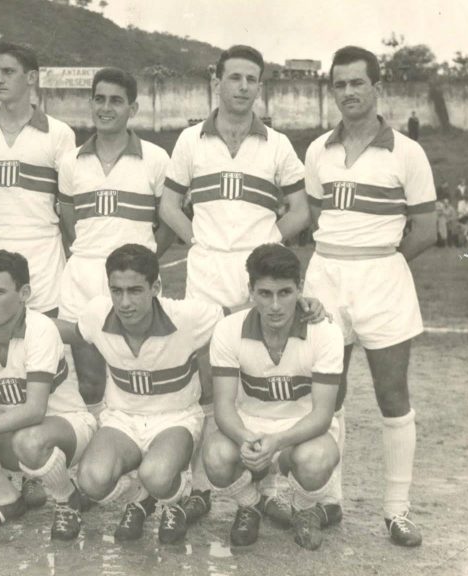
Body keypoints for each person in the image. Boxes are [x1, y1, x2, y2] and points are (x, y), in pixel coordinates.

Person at [158, 45, 311, 526]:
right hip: (206, 271)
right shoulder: (188, 141)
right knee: (207, 378)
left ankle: (266, 487)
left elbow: (302, 210)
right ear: (216, 81)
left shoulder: (279, 145)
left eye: (252, 79)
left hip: (256, 277)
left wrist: (266, 247)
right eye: (235, 77)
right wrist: (196, 238)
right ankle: (201, 486)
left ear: (259, 85)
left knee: (260, 375)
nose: (243, 87)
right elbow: (167, 205)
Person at [303, 45, 437, 547]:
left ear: (377, 87)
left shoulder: (408, 152)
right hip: (326, 277)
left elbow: (424, 228)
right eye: (339, 85)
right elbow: (319, 216)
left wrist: (381, 258)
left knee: (392, 394)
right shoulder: (318, 150)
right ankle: (326, 501)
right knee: (327, 393)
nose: (348, 93)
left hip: (383, 278)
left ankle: (396, 511)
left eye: (358, 83)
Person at [57, 244, 223, 544]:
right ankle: (140, 500)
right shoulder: (97, 313)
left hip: (176, 418)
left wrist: (303, 306)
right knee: (90, 480)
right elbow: (68, 332)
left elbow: (240, 318)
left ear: (155, 286)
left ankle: (173, 503)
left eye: (135, 290)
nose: (124, 302)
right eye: (116, 291)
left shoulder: (188, 317)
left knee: (157, 475)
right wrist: (6, 318)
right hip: (123, 418)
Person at [0, 250, 96, 540]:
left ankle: (66, 499)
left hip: (68, 426)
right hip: (12, 429)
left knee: (29, 440)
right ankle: (8, 500)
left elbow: (35, 410)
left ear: (24, 293)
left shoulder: (42, 329)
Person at [204, 244, 343, 551]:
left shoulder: (326, 332)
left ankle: (303, 509)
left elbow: (322, 414)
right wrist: (246, 438)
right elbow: (224, 406)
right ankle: (250, 504)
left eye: (285, 292)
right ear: (250, 290)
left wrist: (277, 442)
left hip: (303, 429)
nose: (276, 305)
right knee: (214, 455)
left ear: (300, 289)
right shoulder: (228, 330)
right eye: (265, 294)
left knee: (316, 459)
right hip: (250, 425)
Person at [58, 66, 173, 416]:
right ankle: (97, 455)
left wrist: (145, 261)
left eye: (116, 101)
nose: (106, 108)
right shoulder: (70, 161)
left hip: (134, 280)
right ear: (91, 104)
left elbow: (167, 222)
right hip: (83, 275)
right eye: (99, 100)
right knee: (91, 379)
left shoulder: (156, 159)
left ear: (132, 109)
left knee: (142, 370)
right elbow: (68, 221)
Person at [0, 42, 75, 316]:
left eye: (8, 72)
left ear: (31, 77)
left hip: (41, 250)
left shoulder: (59, 134)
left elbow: (69, 202)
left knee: (44, 336)